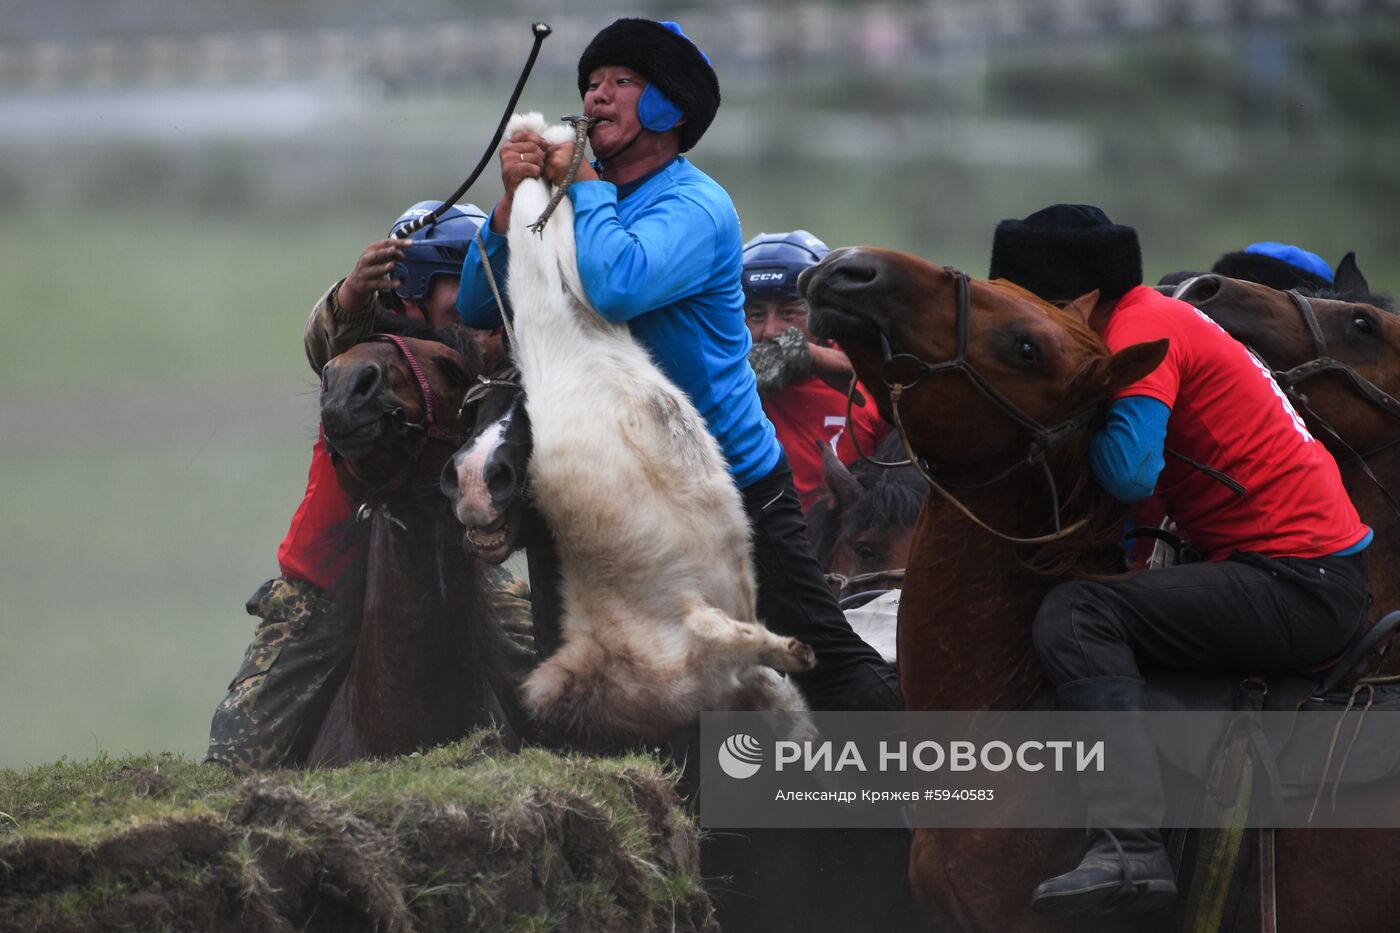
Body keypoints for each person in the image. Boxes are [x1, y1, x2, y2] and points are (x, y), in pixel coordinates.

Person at [456, 17, 899, 715]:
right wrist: (513, 205)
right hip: (606, 488)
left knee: (827, 664)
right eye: (591, 83)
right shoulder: (581, 198)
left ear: (668, 109)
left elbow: (616, 282)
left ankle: (903, 808)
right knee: (590, 678)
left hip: (726, 485)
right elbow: (483, 301)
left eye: (622, 83)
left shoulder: (695, 206)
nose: (596, 97)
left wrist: (585, 181)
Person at [987, 204, 1373, 918]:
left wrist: (1063, 428)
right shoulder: (1142, 317)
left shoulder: (1143, 327)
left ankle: (1130, 847)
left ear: (1078, 301)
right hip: (1296, 568)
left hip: (1300, 583)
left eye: (1033, 311)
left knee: (1077, 614)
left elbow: (1130, 472)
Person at [206, 201, 531, 773]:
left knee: (549, 685)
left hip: (466, 569)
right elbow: (327, 340)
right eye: (469, 280)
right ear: (415, 284)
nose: (487, 296)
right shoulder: (370, 348)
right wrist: (352, 293)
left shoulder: (487, 357)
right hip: (325, 577)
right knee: (242, 747)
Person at [742, 230, 890, 510]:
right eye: (756, 315)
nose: (771, 331)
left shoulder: (872, 380)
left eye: (788, 314)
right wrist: (805, 352)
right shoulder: (730, 381)